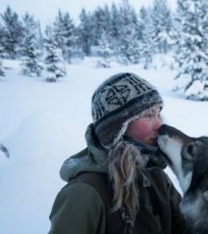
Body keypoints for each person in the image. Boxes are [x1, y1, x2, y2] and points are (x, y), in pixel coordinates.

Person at [49, 72, 188, 234]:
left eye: (158, 113)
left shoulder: (154, 174)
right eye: (149, 115)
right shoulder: (83, 194)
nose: (160, 124)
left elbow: (184, 226)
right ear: (117, 128)